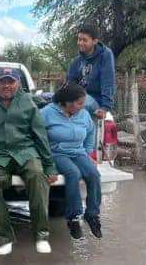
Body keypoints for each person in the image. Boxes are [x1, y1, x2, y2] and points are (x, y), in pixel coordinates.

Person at [0, 68, 59, 256]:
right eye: (3, 81)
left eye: (11, 82)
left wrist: (49, 166)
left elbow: (40, 135)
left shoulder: (28, 102)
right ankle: (5, 237)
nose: (7, 85)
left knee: (36, 175)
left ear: (18, 83)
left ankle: (41, 235)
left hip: (25, 152)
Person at [40, 83, 103, 240]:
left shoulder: (83, 114)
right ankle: (74, 218)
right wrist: (45, 161)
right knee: (73, 173)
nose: (82, 106)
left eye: (83, 103)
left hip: (78, 152)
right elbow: (36, 136)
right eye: (79, 103)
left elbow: (91, 132)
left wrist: (88, 152)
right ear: (66, 101)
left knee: (93, 174)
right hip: (56, 152)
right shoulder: (46, 113)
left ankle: (92, 215)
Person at [67, 24, 116, 119]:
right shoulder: (77, 60)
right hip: (78, 97)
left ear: (95, 41)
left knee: (77, 105)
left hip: (96, 99)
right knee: (54, 105)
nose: (80, 43)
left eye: (84, 40)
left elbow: (108, 82)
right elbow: (70, 82)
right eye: (79, 39)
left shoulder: (105, 55)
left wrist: (105, 108)